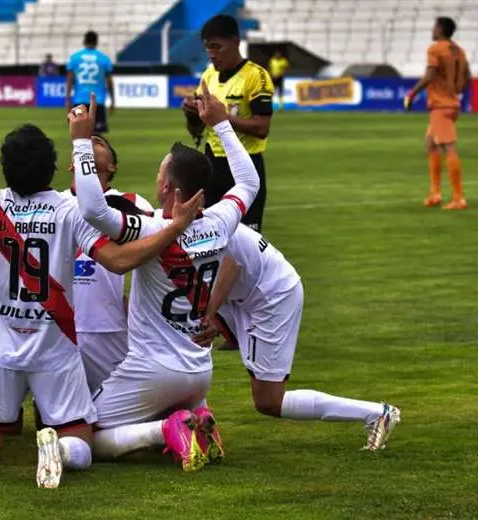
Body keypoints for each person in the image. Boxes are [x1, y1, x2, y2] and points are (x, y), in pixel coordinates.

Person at [0, 122, 204, 488]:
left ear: (5, 167)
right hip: (55, 352)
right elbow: (120, 261)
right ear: (51, 167)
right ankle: (58, 451)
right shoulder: (69, 209)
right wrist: (173, 229)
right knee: (81, 443)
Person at [69, 89, 259, 471]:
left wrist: (80, 143)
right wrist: (221, 123)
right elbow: (249, 183)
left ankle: (169, 429)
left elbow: (91, 207)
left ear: (168, 189)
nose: (155, 180)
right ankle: (199, 421)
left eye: (159, 174)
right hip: (199, 371)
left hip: (154, 367)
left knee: (88, 437)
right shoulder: (221, 221)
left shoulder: (151, 228)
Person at [204, 227, 400, 451]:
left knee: (269, 401)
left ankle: (377, 414)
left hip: (270, 297)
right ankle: (184, 429)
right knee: (187, 343)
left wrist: (210, 314)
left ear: (169, 189)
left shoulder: (208, 220)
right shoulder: (189, 218)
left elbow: (232, 264)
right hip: (246, 293)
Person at [66, 134, 154, 392]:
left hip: (109, 326)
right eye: (86, 142)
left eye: (100, 143)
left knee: (120, 408)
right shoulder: (55, 202)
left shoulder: (133, 203)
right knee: (54, 417)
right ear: (73, 164)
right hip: (58, 327)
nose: (91, 140)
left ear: (112, 166)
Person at [182, 14, 273, 232]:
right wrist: (192, 115)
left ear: (235, 42)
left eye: (217, 47)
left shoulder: (255, 76)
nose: (212, 54)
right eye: (207, 48)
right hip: (212, 165)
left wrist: (222, 117)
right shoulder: (208, 76)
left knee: (245, 242)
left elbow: (262, 128)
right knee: (211, 240)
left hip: (244, 166)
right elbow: (197, 132)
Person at [405, 16, 471, 210]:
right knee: (431, 144)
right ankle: (435, 194)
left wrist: (412, 93)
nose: (432, 30)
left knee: (449, 148)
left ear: (441, 29)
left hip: (440, 106)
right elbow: (466, 77)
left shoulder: (435, 49)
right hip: (452, 104)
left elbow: (430, 74)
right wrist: (455, 90)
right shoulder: (459, 51)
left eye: (434, 27)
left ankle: (458, 198)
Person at [65, 31, 115, 134]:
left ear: (84, 41)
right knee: (97, 136)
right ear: (96, 42)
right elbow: (109, 81)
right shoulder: (104, 58)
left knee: (79, 134)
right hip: (97, 102)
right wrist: (113, 100)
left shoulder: (75, 58)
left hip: (80, 101)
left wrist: (68, 99)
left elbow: (70, 80)